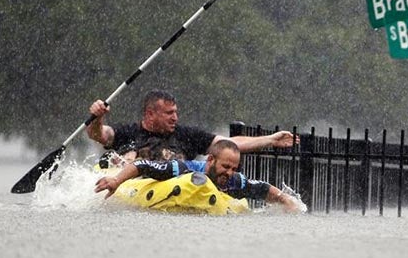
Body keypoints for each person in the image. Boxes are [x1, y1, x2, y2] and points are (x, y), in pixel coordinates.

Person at [94, 139, 305, 213]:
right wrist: (116, 181)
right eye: (225, 166)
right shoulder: (182, 168)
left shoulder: (233, 180)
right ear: (210, 161)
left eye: (234, 168)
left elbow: (263, 188)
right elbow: (142, 165)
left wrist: (287, 201)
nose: (229, 173)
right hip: (154, 190)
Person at [87, 89, 297, 162]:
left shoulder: (187, 135)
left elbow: (229, 143)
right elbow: (99, 135)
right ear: (150, 114)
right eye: (169, 113)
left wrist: (270, 140)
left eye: (176, 112)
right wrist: (97, 117)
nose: (175, 118)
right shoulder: (128, 132)